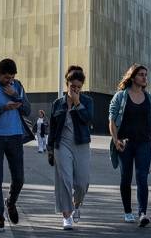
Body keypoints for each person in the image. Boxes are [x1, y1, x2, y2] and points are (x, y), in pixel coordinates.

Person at [0, 58, 34, 232]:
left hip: (15, 137)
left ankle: (10, 203)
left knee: (19, 179)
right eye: (6, 77)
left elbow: (27, 110)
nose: (9, 80)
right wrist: (4, 108)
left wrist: (15, 95)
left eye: (12, 77)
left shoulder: (17, 86)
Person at [109, 63, 151, 227]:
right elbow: (112, 120)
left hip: (144, 143)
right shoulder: (121, 96)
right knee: (126, 178)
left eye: (146, 75)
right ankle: (128, 212)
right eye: (141, 74)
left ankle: (143, 213)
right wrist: (116, 140)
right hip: (125, 143)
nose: (145, 77)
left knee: (142, 178)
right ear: (132, 77)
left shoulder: (149, 98)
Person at [47, 66, 94, 230]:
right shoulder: (57, 103)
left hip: (81, 144)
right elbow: (52, 128)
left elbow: (88, 121)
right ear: (67, 84)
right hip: (62, 145)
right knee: (65, 180)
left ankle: (76, 205)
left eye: (78, 87)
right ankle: (66, 215)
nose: (75, 89)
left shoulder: (87, 101)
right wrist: (50, 149)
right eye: (72, 86)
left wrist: (77, 104)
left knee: (82, 183)